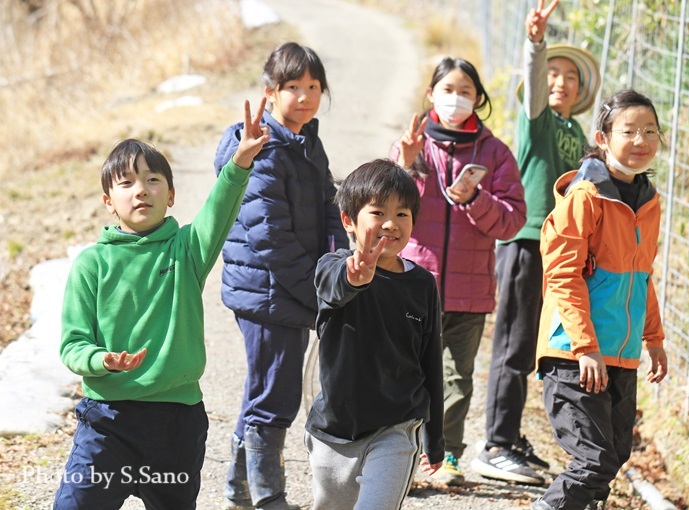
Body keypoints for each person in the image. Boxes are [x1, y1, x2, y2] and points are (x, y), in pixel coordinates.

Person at [54, 99, 270, 509]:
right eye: (126, 183)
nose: (141, 190)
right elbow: (72, 345)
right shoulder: (91, 264)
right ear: (107, 201)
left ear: (171, 195)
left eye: (153, 180)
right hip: (108, 421)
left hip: (177, 421)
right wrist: (103, 361)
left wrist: (240, 162)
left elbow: (218, 211)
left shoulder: (186, 250)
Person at [214, 42, 348, 510]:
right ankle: (269, 498)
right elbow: (272, 240)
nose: (306, 97)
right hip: (268, 292)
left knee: (263, 391)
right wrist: (317, 294)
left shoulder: (307, 139)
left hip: (289, 289)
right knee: (275, 395)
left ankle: (239, 491)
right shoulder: (261, 149)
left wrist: (340, 264)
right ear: (270, 92)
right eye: (294, 87)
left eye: (314, 87)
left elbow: (332, 208)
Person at [474, 0, 602, 485]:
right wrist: (535, 44)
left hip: (562, 248)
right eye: (552, 74)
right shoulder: (537, 121)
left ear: (581, 89)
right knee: (513, 341)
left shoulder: (575, 132)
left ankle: (511, 437)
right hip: (528, 240)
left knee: (538, 344)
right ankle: (496, 444)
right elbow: (533, 86)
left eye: (570, 77)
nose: (560, 82)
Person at [390, 57, 526, 486]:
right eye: (447, 89)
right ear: (430, 94)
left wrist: (473, 198)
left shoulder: (495, 153)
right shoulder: (414, 144)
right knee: (405, 371)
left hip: (471, 290)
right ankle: (400, 459)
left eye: (465, 91)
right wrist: (407, 164)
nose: (456, 98)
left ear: (478, 99)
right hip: (414, 285)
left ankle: (445, 458)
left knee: (456, 378)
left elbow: (511, 220)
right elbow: (387, 213)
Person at [532, 89, 669, 510]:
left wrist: (654, 339)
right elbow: (562, 274)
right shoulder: (586, 196)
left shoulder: (649, 202)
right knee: (593, 461)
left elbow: (641, 277)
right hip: (574, 352)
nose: (641, 139)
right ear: (603, 138)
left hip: (621, 355)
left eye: (650, 130)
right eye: (629, 130)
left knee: (611, 459)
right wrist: (585, 346)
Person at [306, 159, 444, 510]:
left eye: (402, 214)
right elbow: (336, 287)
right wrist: (355, 277)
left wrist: (435, 436)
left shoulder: (422, 284)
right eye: (378, 212)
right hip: (334, 431)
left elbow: (431, 363)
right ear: (349, 221)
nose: (390, 224)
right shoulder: (333, 267)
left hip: (396, 428)